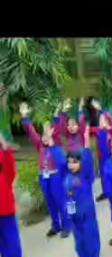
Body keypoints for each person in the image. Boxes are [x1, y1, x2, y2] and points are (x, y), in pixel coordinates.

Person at [20, 102, 71, 238]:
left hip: (55, 177)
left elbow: (60, 127)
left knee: (60, 201)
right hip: (44, 177)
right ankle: (56, 225)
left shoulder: (57, 146)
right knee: (50, 202)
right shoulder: (40, 145)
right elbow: (31, 131)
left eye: (49, 131)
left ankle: (67, 226)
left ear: (53, 134)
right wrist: (25, 117)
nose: (45, 135)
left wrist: (60, 113)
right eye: (44, 133)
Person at [65, 138, 101, 257]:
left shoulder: (86, 176)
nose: (71, 165)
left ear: (81, 162)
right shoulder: (68, 176)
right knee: (79, 245)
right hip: (74, 217)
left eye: (75, 162)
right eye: (69, 162)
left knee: (90, 242)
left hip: (87, 216)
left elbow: (88, 162)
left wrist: (85, 147)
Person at [0, 132, 24, 257]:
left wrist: (3, 144)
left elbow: (9, 162)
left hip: (5, 207)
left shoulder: (5, 174)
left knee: (9, 233)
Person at [89, 100, 112, 202]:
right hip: (102, 157)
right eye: (100, 120)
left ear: (107, 121)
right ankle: (106, 192)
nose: (101, 122)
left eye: (103, 120)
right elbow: (88, 129)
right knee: (103, 175)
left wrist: (101, 110)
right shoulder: (98, 130)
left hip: (111, 157)